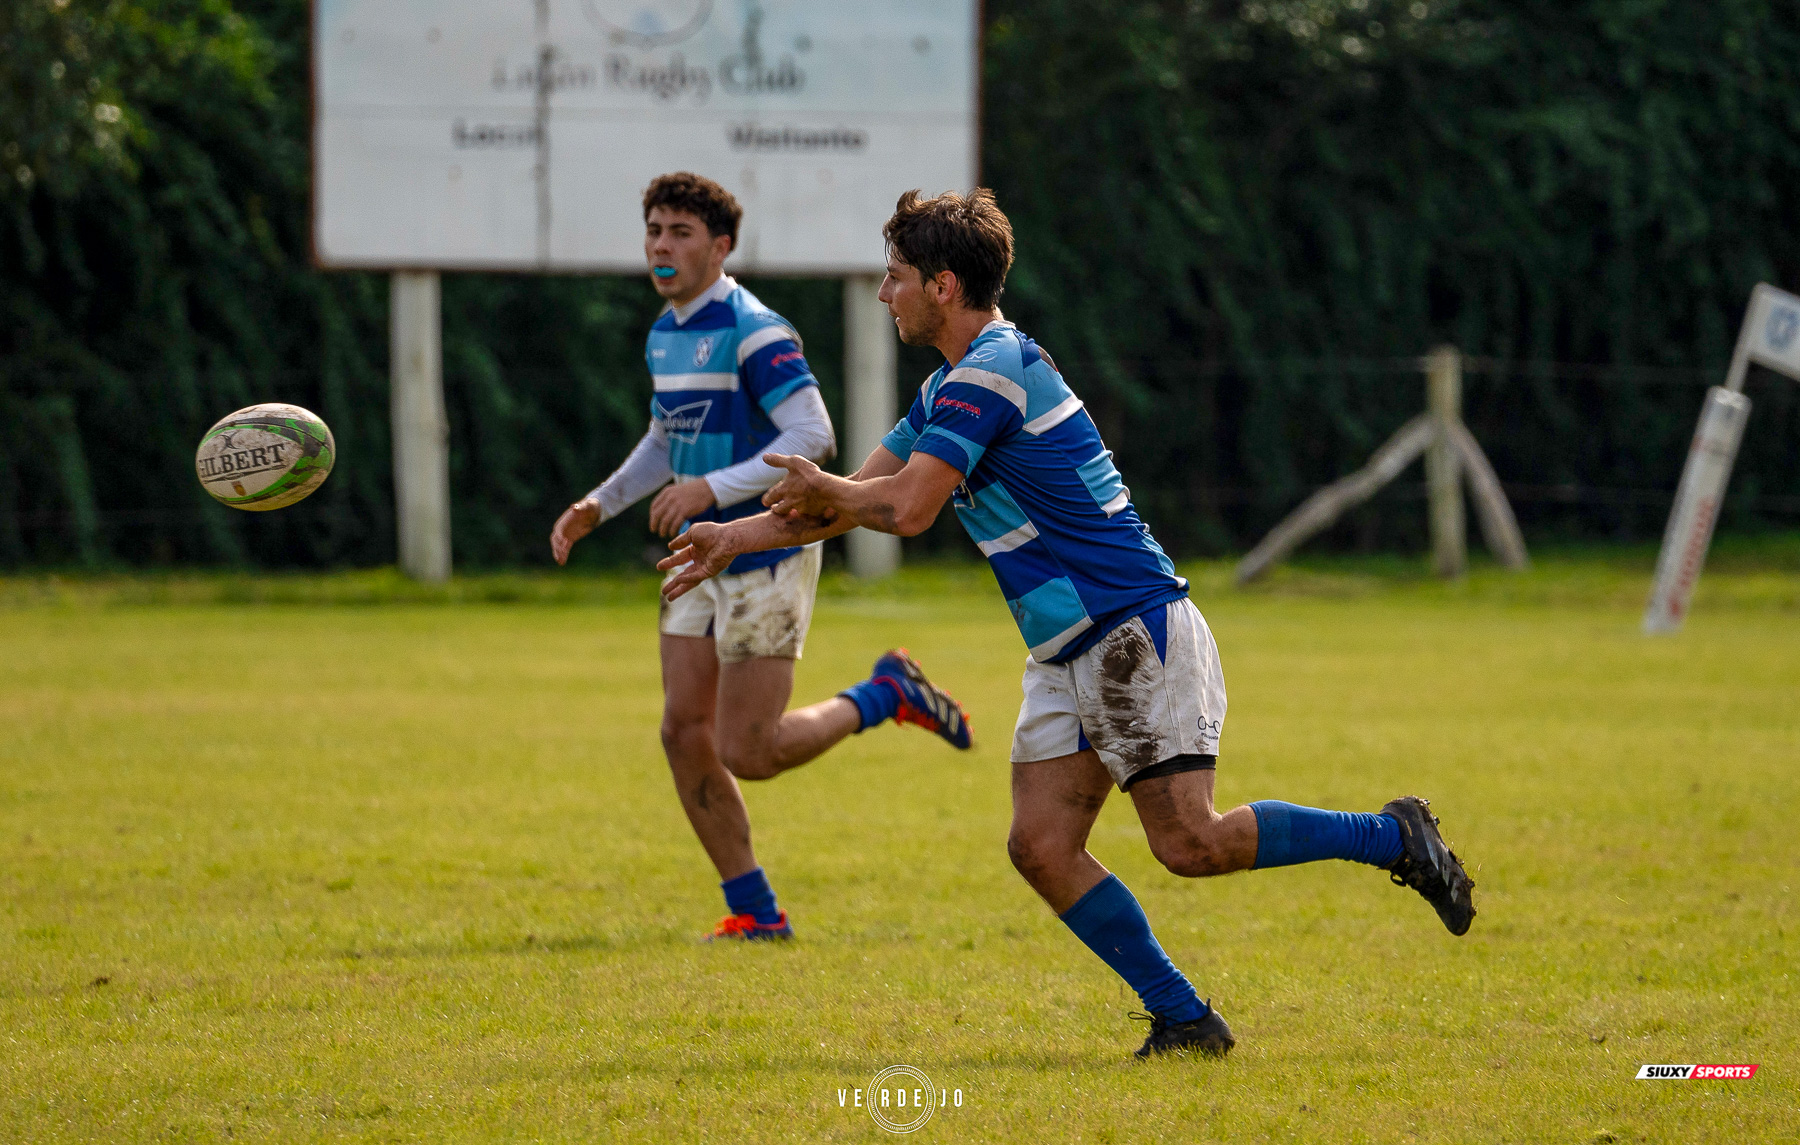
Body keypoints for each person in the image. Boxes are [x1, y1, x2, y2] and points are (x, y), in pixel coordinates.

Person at [659, 188, 1476, 1053]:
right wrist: (733, 537)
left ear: (942, 286)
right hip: (1067, 648)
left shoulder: (993, 369)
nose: (884, 293)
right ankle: (1185, 1018)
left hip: (1131, 629)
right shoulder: (946, 388)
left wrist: (828, 492)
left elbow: (902, 508)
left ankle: (1391, 835)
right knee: (1043, 846)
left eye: (894, 276)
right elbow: (851, 500)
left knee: (1190, 841)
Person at [551, 173, 973, 943]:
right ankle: (756, 908)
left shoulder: (755, 331)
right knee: (682, 731)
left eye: (680, 232)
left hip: (764, 552)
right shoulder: (665, 332)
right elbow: (666, 438)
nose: (661, 245)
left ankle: (883, 693)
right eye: (654, 230)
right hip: (697, 557)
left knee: (749, 750)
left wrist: (711, 489)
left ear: (721, 247)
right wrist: (598, 505)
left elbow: (813, 435)